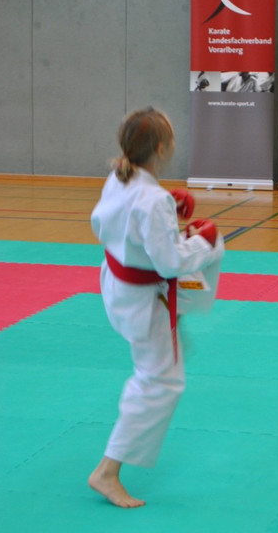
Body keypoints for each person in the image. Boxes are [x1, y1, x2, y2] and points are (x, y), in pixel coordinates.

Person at [89, 107, 224, 508]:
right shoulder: (152, 198)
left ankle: (171, 339)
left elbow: (110, 224)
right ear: (162, 148)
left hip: (118, 286)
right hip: (143, 300)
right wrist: (203, 242)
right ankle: (107, 471)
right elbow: (168, 263)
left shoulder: (120, 177)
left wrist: (170, 214)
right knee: (161, 381)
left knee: (164, 360)